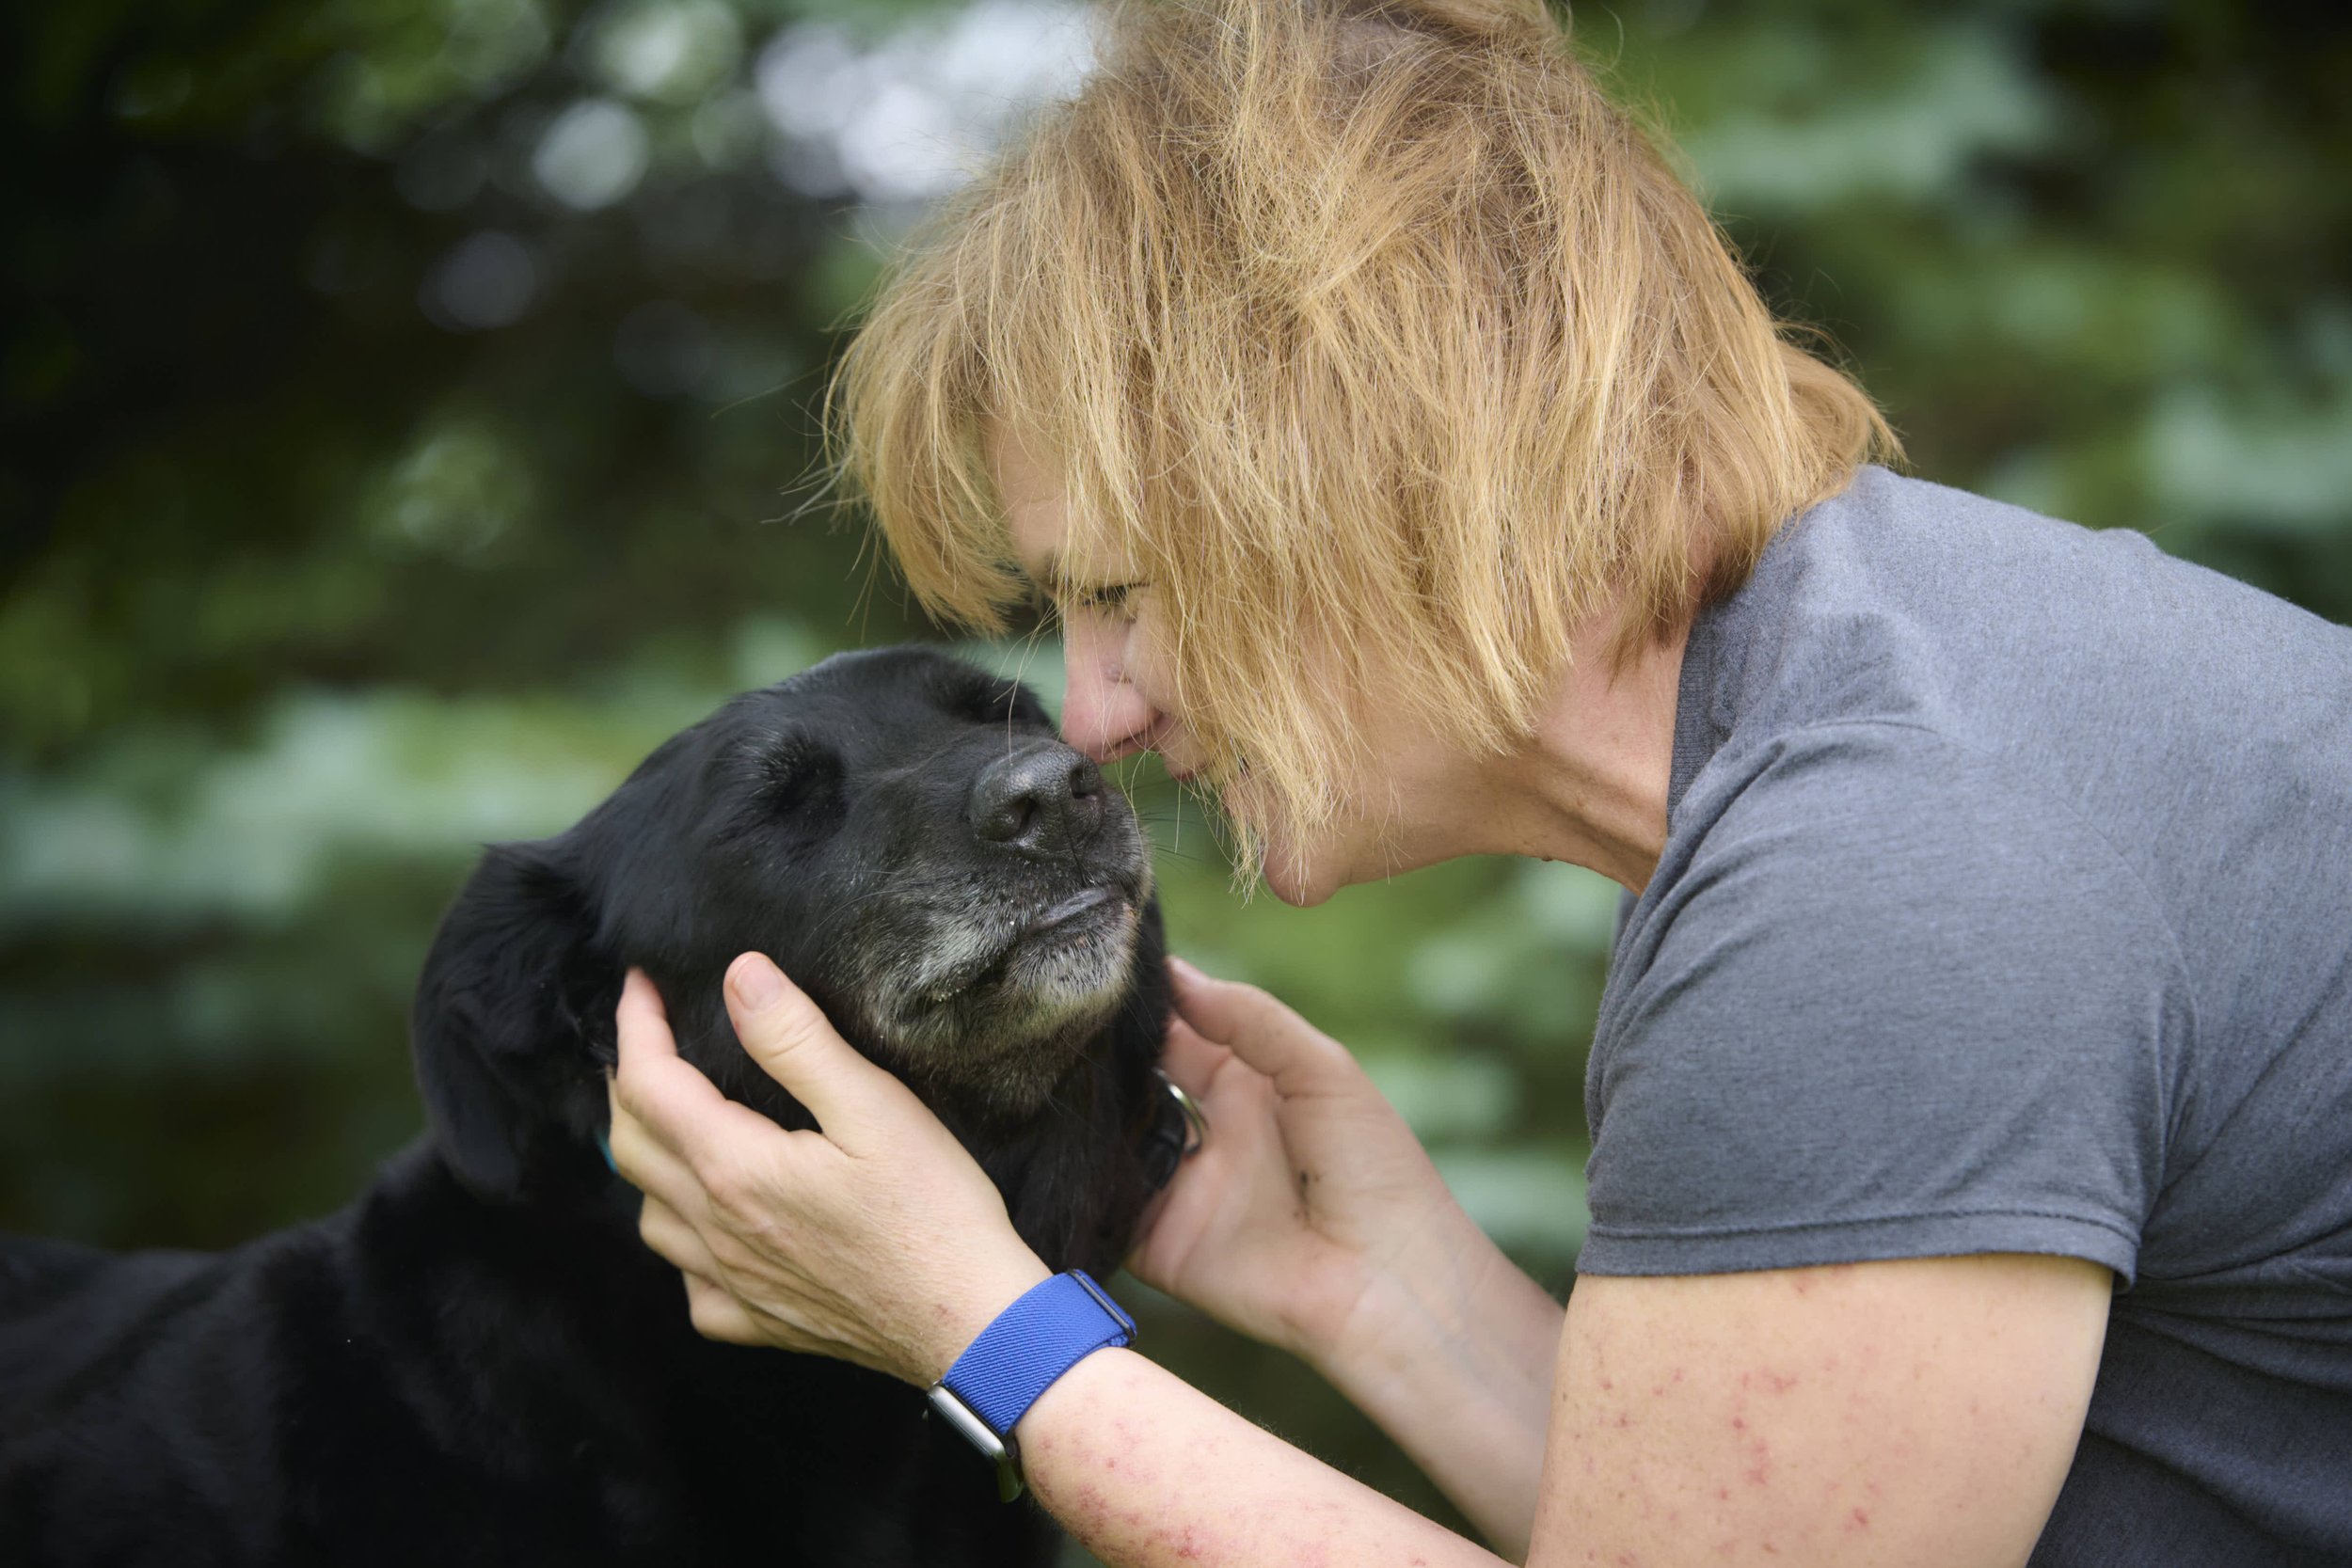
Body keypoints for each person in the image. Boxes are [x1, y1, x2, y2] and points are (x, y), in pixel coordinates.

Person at [602, 0, 2352, 1562]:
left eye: (1124, 595)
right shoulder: (1902, 691)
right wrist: (1388, 1297)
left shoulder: (1880, 881)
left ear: (1397, 473)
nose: (1095, 714)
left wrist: (993, 1338)